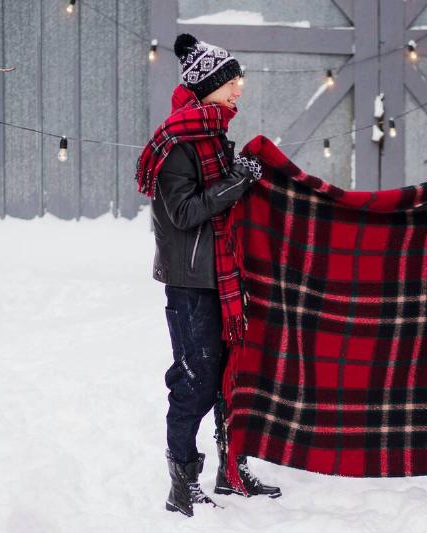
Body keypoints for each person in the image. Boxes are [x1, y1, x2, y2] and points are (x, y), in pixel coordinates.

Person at [137, 33, 280, 518]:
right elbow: (183, 212)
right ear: (209, 86)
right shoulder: (178, 141)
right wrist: (239, 180)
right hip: (191, 282)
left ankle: (231, 470)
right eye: (232, 82)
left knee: (229, 380)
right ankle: (182, 482)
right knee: (195, 381)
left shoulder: (212, 135)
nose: (240, 90)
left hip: (222, 278)